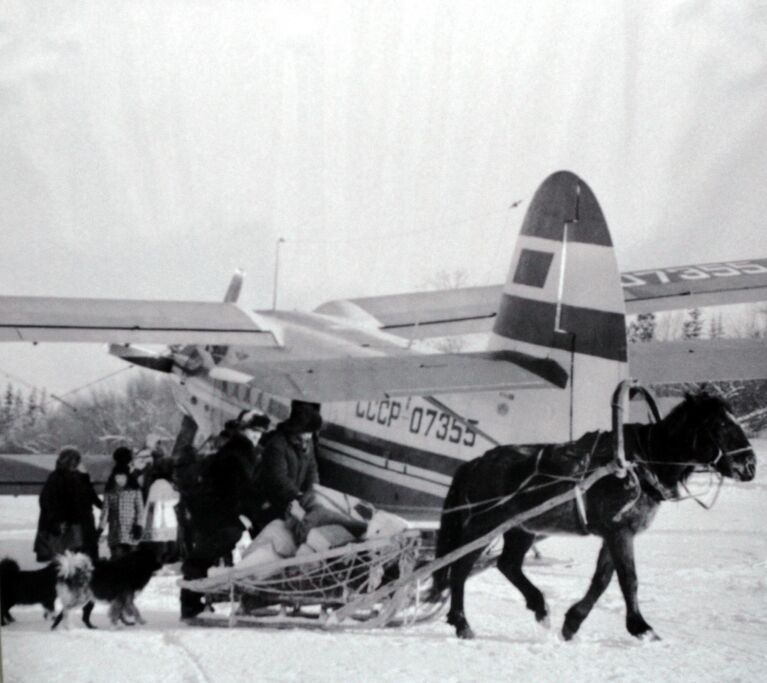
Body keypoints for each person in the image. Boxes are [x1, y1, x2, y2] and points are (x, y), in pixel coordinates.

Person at [178, 411, 269, 619]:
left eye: (260, 432)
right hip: (218, 514)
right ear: (243, 430)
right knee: (203, 556)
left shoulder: (242, 450)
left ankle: (192, 602)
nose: (257, 436)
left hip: (216, 513)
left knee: (205, 555)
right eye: (253, 431)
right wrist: (244, 514)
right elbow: (238, 488)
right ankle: (190, 604)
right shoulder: (237, 453)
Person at [257, 401, 323, 528]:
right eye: (304, 434)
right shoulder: (277, 445)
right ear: (295, 429)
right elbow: (279, 479)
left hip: (290, 503)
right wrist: (299, 496)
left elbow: (312, 470)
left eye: (310, 434)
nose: (307, 439)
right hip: (271, 505)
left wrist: (314, 493)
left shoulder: (308, 443)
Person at [33, 447, 102, 563]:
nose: (74, 464)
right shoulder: (55, 478)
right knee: (65, 560)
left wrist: (105, 507)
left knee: (82, 558)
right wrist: (56, 521)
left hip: (81, 523)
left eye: (76, 461)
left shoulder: (82, 478)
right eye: (71, 461)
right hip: (65, 524)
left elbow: (91, 496)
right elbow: (47, 502)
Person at [99, 462, 144, 559]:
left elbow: (140, 510)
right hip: (116, 531)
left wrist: (139, 525)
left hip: (131, 530)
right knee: (117, 557)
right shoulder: (110, 492)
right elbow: (105, 511)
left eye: (122, 476)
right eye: (117, 477)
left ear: (127, 477)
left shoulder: (135, 490)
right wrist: (100, 528)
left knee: (132, 557)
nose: (120, 479)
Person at [140, 457, 179, 565]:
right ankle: (162, 562)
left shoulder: (155, 484)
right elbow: (169, 501)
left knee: (156, 544)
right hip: (163, 519)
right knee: (163, 545)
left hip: (152, 516)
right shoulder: (164, 485)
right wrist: (178, 495)